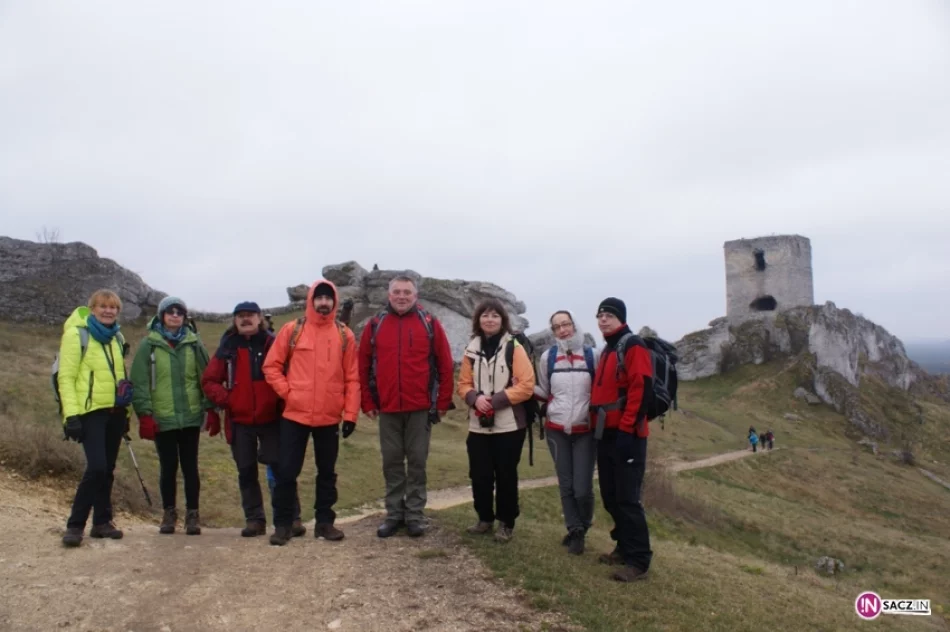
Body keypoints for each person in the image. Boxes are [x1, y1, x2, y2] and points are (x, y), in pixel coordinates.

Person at [262, 279, 359, 546]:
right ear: (311, 300)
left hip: (329, 417)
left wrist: (351, 415)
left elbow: (352, 378)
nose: (324, 303)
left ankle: (325, 523)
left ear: (334, 302)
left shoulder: (344, 335)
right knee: (286, 472)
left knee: (327, 473)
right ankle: (283, 525)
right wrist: (289, 393)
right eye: (319, 298)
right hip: (295, 415)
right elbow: (271, 366)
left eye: (328, 298)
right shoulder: (292, 330)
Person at [358, 275, 455, 538]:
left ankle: (414, 515)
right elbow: (362, 365)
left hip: (420, 408)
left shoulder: (429, 323)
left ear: (415, 296)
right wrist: (367, 401)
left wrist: (443, 401)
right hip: (387, 407)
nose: (402, 296)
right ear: (389, 295)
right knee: (391, 462)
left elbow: (445, 364)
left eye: (407, 292)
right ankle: (393, 515)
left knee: (417, 462)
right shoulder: (375, 324)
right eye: (397, 292)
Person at [200, 301, 304, 538]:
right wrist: (229, 399)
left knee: (282, 470)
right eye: (241, 316)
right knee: (246, 471)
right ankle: (255, 520)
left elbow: (290, 374)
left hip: (272, 419)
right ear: (235, 320)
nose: (245, 319)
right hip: (240, 421)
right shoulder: (228, 347)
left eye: (250, 315)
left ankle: (291, 518)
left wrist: (282, 402)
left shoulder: (272, 343)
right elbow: (209, 380)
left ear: (260, 318)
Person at [131, 296, 219, 535]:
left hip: (190, 417)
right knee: (168, 467)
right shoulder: (149, 345)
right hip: (163, 417)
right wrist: (145, 414)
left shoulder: (194, 344)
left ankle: (193, 515)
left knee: (190, 467)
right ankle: (169, 514)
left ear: (185, 317)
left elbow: (206, 377)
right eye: (170, 312)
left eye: (179, 312)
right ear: (161, 316)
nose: (175, 316)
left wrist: (210, 408)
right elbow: (139, 382)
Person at [456, 299, 536, 543]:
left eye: (495, 315)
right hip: (478, 424)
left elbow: (527, 385)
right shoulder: (471, 349)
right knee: (479, 475)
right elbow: (463, 384)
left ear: (503, 320)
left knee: (505, 476)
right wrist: (475, 399)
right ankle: (484, 519)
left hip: (509, 425)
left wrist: (495, 400)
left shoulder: (514, 347)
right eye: (485, 315)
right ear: (478, 320)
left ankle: (506, 523)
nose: (489, 320)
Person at [58, 290, 131, 547]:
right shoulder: (77, 335)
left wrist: (126, 413)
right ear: (92, 309)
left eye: (113, 307)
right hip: (90, 412)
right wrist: (71, 416)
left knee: (107, 469)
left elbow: (120, 379)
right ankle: (75, 525)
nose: (108, 311)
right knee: (97, 467)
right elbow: (66, 378)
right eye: (103, 306)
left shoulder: (117, 337)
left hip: (115, 412)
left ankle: (102, 523)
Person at [588, 297, 654, 582]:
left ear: (621, 318)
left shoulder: (633, 345)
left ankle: (638, 561)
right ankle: (624, 546)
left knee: (627, 498)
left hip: (627, 435)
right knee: (611, 496)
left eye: (609, 315)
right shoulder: (608, 348)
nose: (603, 319)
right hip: (606, 433)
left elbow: (641, 388)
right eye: (600, 315)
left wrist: (627, 430)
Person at [533, 310, 600, 555]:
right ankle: (575, 531)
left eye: (566, 324)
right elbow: (544, 390)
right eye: (557, 327)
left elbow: (601, 390)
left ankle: (583, 525)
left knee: (583, 488)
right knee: (566, 484)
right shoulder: (548, 357)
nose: (563, 330)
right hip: (556, 429)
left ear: (574, 325)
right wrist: (524, 386)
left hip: (586, 430)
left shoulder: (593, 356)